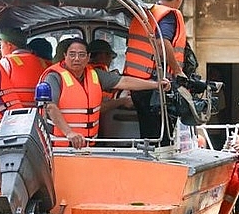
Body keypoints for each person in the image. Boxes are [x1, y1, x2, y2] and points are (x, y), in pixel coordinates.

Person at [40, 38, 170, 149]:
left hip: (88, 145)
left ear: (88, 57)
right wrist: (69, 133)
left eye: (81, 55)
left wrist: (156, 84)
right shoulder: (54, 77)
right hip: (60, 147)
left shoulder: (95, 74)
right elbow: (50, 107)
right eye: (72, 54)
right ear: (65, 55)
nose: (76, 59)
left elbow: (124, 81)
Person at [123, 0, 187, 144]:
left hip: (136, 83)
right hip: (155, 85)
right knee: (161, 139)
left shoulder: (145, 13)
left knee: (148, 134)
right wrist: (178, 71)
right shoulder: (169, 15)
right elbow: (162, 42)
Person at [0, 27, 48, 107]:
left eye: (1, 45)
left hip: (14, 110)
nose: (0, 50)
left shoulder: (6, 61)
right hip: (38, 110)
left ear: (9, 45)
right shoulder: (41, 62)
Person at [88, 38, 132, 113]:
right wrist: (123, 101)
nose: (111, 60)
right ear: (102, 55)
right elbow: (99, 106)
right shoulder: (95, 74)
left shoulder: (89, 71)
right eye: (110, 56)